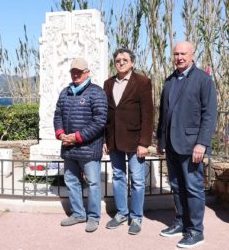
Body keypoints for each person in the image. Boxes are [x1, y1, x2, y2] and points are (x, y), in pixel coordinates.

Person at [157, 41, 217, 248]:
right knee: (176, 186)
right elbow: (163, 114)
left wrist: (202, 143)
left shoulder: (203, 79)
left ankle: (196, 231)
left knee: (193, 188)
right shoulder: (169, 80)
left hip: (192, 146)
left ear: (192, 55)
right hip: (172, 145)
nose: (179, 57)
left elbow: (209, 115)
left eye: (183, 53)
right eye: (176, 54)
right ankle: (181, 222)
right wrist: (160, 140)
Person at [54, 57, 107, 232]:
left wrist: (77, 137)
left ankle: (93, 216)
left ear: (87, 73)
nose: (75, 74)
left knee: (92, 183)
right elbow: (58, 115)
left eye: (79, 71)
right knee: (71, 181)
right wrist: (61, 134)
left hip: (88, 148)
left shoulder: (96, 92)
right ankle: (78, 213)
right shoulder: (65, 92)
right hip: (69, 148)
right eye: (73, 71)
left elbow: (100, 121)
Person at [103, 48, 153, 235]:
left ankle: (136, 217)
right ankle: (122, 213)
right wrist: (105, 139)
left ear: (132, 62)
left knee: (138, 180)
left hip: (135, 140)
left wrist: (144, 142)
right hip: (114, 139)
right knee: (118, 177)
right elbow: (106, 114)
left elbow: (147, 115)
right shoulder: (108, 84)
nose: (121, 62)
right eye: (117, 60)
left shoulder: (142, 82)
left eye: (125, 59)